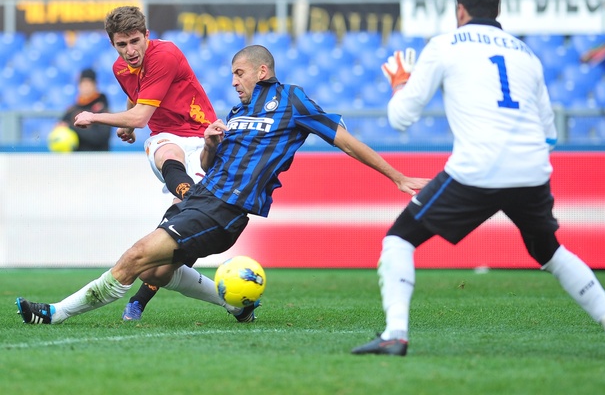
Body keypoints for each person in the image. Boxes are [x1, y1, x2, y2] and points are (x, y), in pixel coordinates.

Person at [15, 45, 429, 326]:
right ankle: (239, 305)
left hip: (225, 210)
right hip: (202, 193)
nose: (233, 80)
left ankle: (53, 313)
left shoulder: (293, 101)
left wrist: (397, 176)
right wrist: (212, 143)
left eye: (239, 72)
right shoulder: (236, 109)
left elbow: (346, 140)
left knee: (137, 256)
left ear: (262, 71)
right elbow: (214, 162)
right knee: (160, 269)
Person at [351, 0, 605, 357]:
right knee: (551, 252)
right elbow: (550, 135)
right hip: (532, 169)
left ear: (460, 10)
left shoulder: (445, 45)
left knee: (399, 239)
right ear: (499, 11)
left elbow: (400, 119)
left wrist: (400, 83)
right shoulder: (526, 55)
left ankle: (395, 334)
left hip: (478, 166)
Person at [73, 6, 219, 322]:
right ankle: (193, 204)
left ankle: (234, 304)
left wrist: (96, 116)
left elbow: (140, 116)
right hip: (167, 139)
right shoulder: (120, 67)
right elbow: (137, 99)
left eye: (134, 41)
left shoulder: (165, 54)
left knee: (166, 262)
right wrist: (125, 125)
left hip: (199, 137)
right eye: (121, 45)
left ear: (147, 36)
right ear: (113, 44)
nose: (130, 51)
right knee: (169, 163)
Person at [58, 68, 111, 151]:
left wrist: (71, 128)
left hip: (98, 159)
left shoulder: (102, 110)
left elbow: (100, 137)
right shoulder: (73, 110)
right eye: (82, 84)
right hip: (76, 160)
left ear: (95, 85)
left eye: (88, 83)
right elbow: (61, 126)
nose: (85, 87)